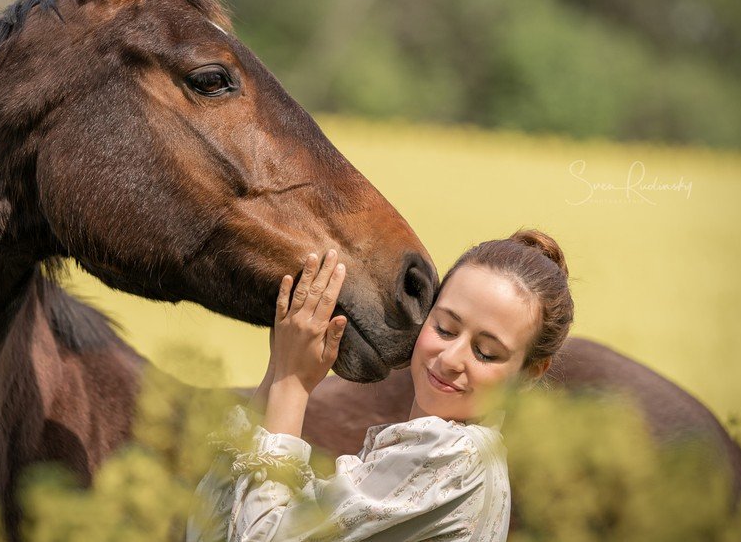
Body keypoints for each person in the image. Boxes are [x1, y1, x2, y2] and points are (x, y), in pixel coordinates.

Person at [186, 229, 575, 542]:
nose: (451, 359)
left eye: (486, 353)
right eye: (444, 328)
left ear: (530, 373)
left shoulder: (452, 458)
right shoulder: (474, 458)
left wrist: (292, 383)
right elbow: (212, 529)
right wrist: (283, 363)